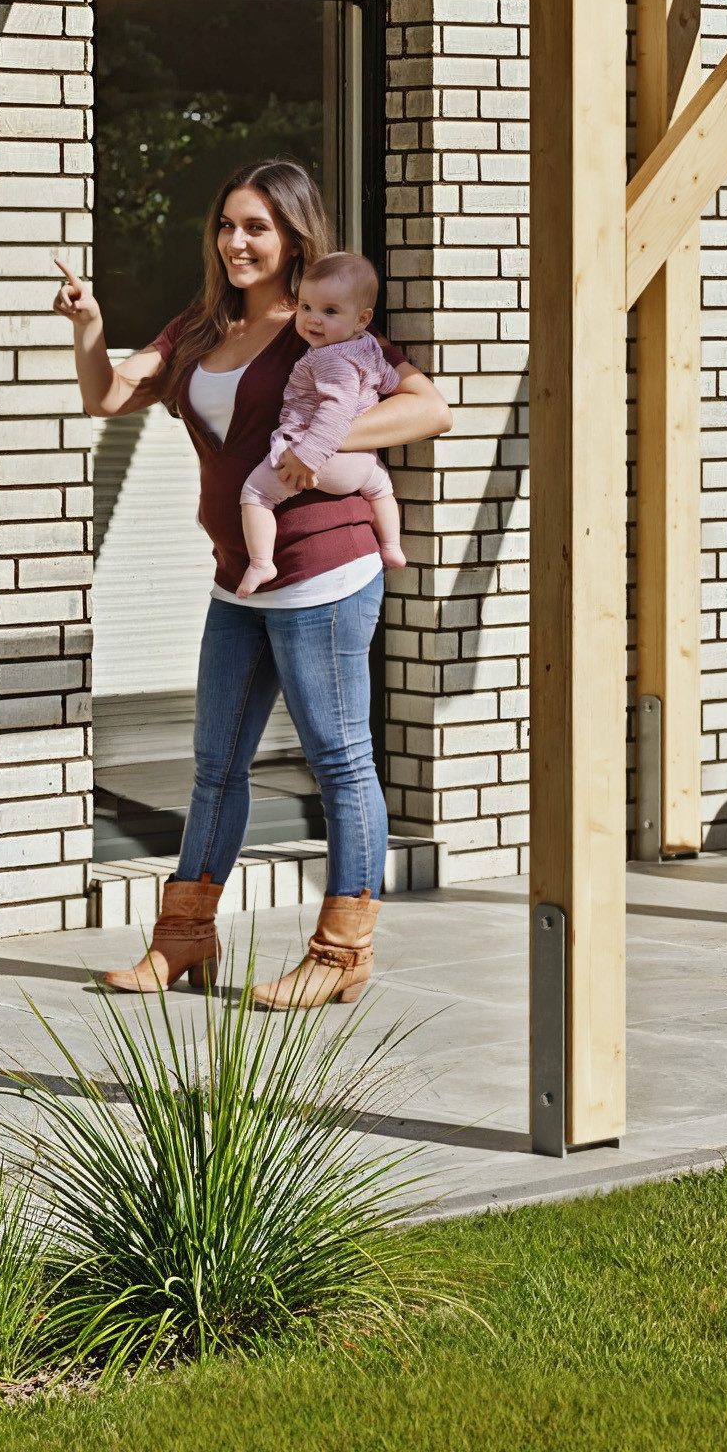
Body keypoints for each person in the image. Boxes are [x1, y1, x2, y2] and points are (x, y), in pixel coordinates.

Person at [52, 160, 449, 1007]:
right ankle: (184, 941)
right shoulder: (200, 327)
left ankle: (342, 956)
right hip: (239, 577)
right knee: (214, 767)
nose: (236, 241)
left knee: (341, 763)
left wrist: (324, 445)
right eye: (228, 225)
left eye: (256, 228)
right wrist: (90, 325)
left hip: (326, 571)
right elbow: (106, 396)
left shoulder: (327, 329)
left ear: (294, 237)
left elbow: (430, 408)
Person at [236, 251, 410, 593]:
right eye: (305, 307)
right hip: (362, 463)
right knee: (382, 488)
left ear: (362, 318)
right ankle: (390, 546)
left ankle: (261, 563)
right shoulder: (367, 347)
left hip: (321, 461)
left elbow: (335, 411)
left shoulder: (330, 359)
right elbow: (388, 380)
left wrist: (307, 456)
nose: (313, 320)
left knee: (255, 494)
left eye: (329, 311)